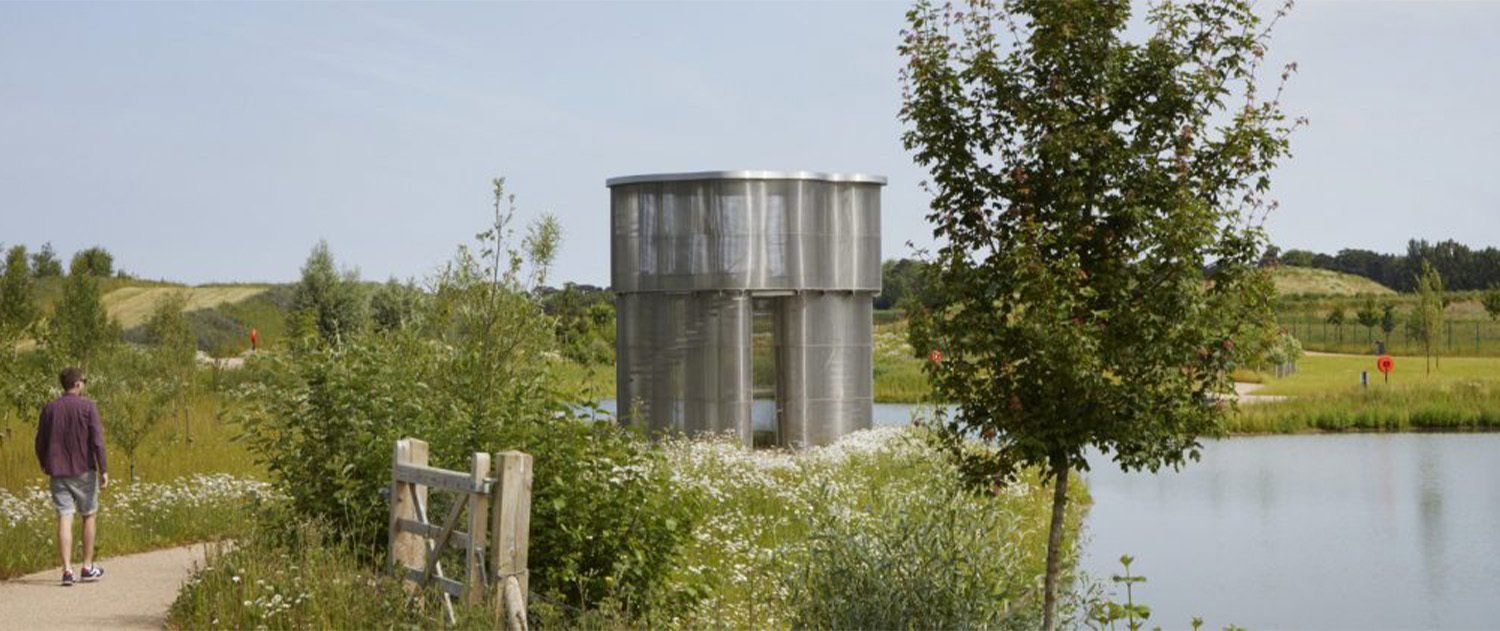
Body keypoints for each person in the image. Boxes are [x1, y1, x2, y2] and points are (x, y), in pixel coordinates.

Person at [35, 367, 108, 586]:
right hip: (84, 470)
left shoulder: (50, 409)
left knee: (65, 517)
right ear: (77, 384)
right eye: (83, 381)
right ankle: (87, 566)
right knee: (88, 515)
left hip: (58, 472)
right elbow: (97, 440)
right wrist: (103, 468)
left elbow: (39, 441)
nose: (84, 384)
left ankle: (67, 570)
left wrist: (44, 463)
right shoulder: (88, 407)